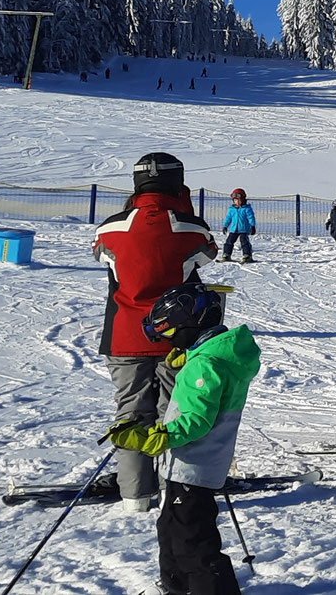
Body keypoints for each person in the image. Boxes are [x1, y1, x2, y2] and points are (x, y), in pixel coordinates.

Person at [106, 285, 260, 595]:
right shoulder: (212, 357)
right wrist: (191, 356)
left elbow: (197, 420)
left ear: (191, 326)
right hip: (190, 465)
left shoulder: (205, 366)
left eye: (170, 334)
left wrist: (155, 436)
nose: (167, 343)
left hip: (194, 467)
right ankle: (176, 586)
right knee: (171, 530)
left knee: (193, 540)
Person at [93, 152, 217, 511]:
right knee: (175, 412)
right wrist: (185, 208)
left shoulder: (109, 228)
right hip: (175, 335)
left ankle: (135, 494)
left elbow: (101, 254)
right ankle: (177, 489)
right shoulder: (189, 227)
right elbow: (207, 253)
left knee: (130, 412)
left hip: (123, 335)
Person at [220, 188, 256, 263]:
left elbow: (251, 217)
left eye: (239, 200)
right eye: (235, 200)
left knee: (244, 242)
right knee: (229, 241)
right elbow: (228, 218)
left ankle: (247, 255)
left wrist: (252, 226)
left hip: (244, 229)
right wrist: (225, 226)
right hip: (234, 229)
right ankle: (226, 254)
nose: (237, 202)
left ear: (243, 200)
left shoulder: (247, 209)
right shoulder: (231, 209)